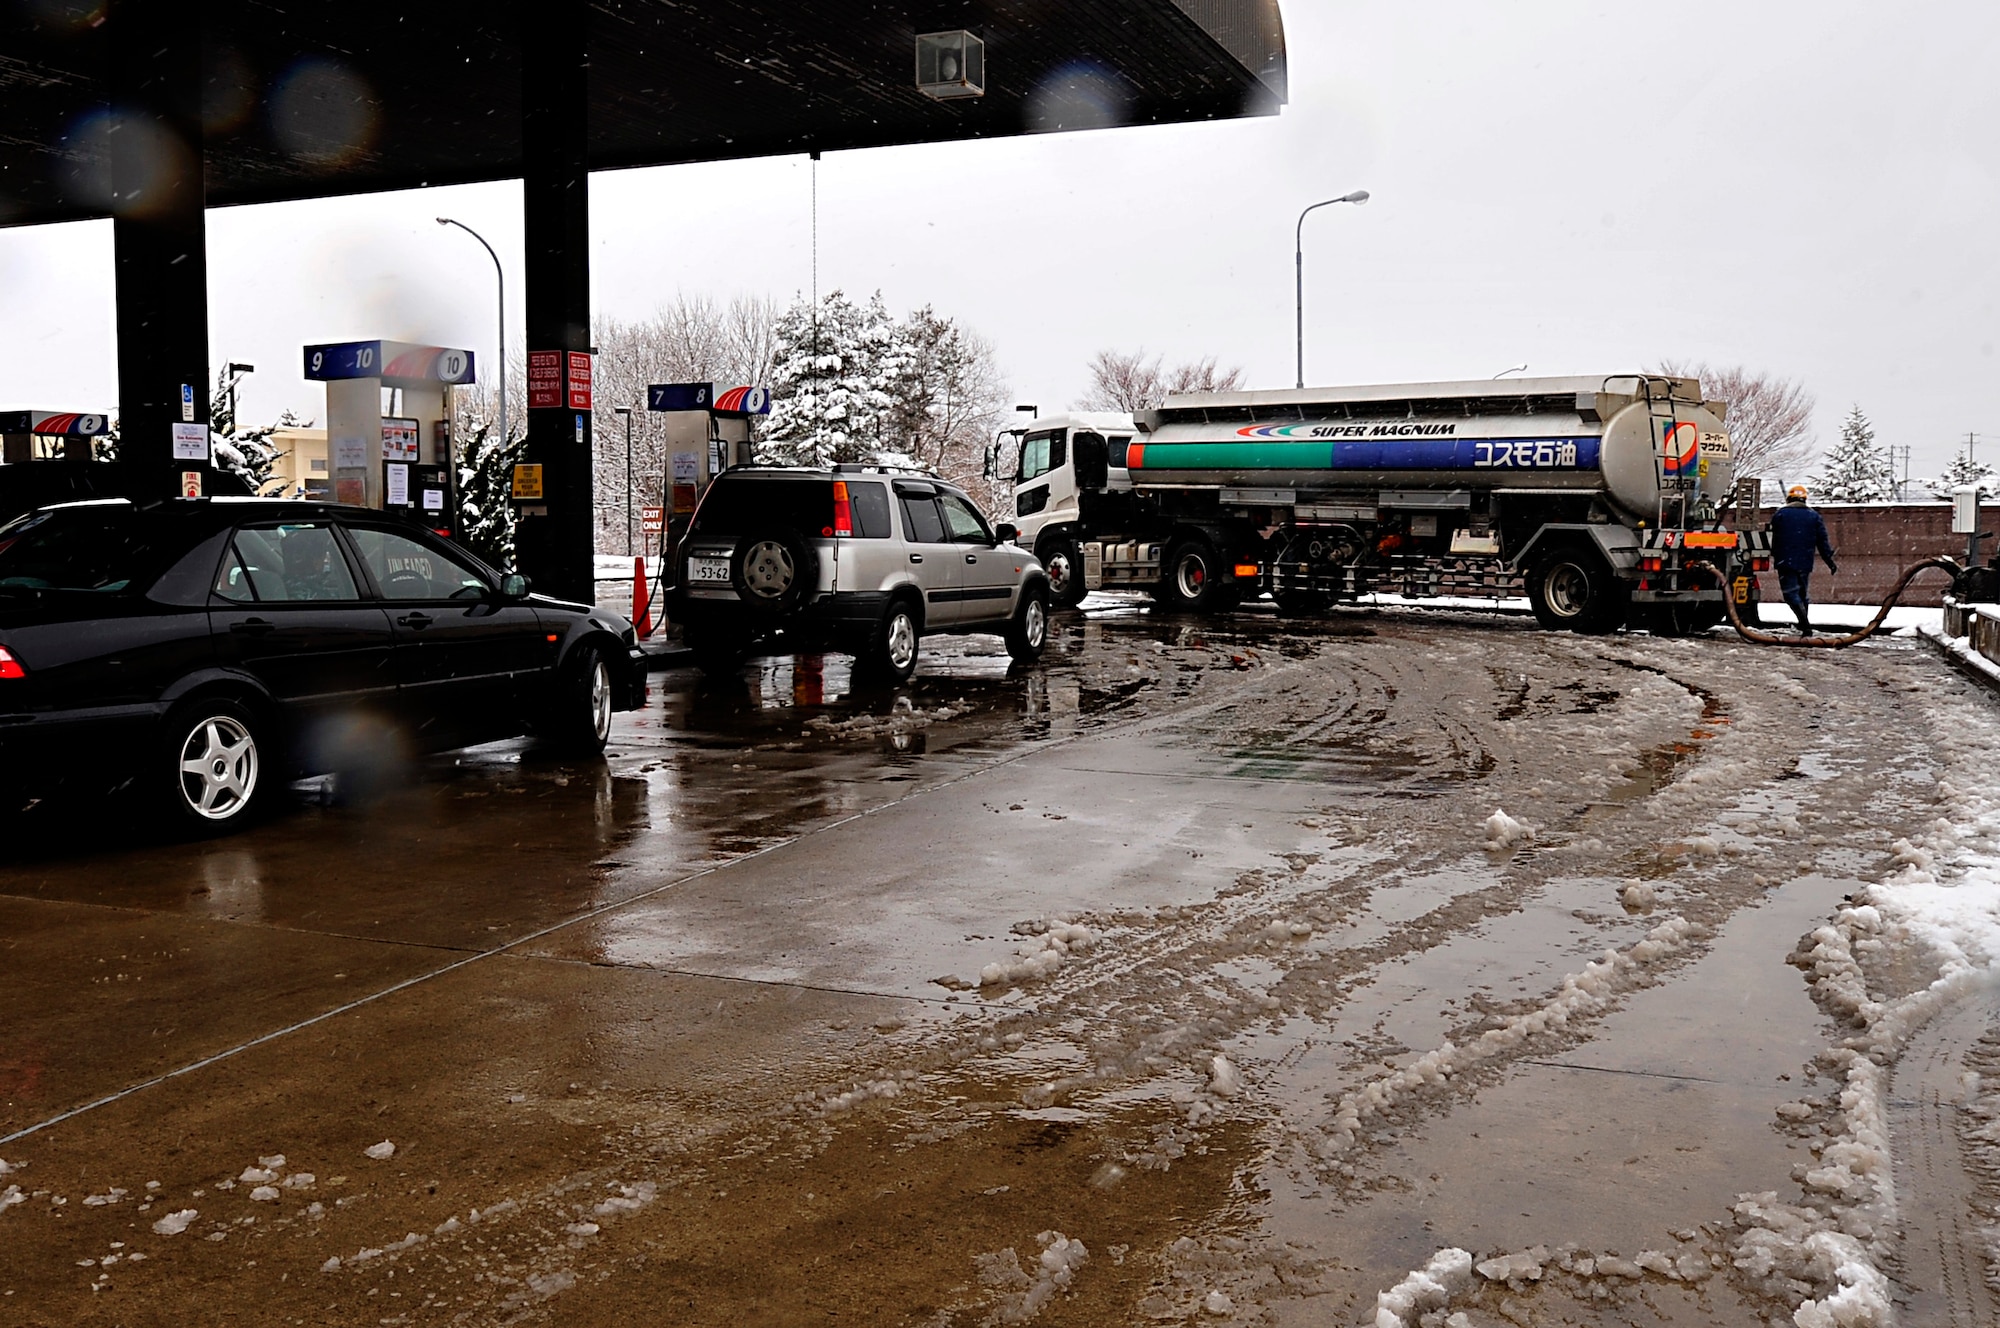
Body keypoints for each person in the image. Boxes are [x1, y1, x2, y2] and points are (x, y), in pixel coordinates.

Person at [1769, 485, 1837, 635]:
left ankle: (1805, 625)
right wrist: (1829, 561)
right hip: (1805, 562)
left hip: (1785, 561)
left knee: (1790, 593)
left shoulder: (1780, 515)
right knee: (1802, 593)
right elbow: (1822, 541)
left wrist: (1773, 553)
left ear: (1789, 498)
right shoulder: (1814, 516)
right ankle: (1803, 623)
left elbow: (1771, 536)